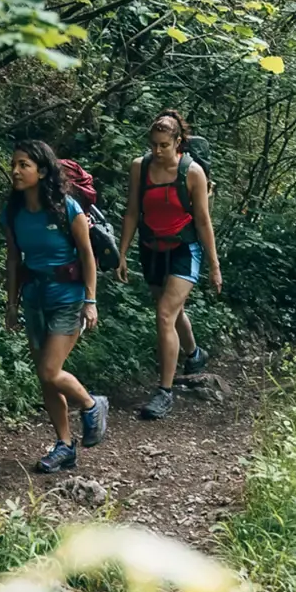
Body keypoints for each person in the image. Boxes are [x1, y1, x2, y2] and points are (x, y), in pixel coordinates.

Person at [2, 139, 110, 473]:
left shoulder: (67, 208)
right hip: (35, 298)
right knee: (45, 379)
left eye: (24, 165)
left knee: (51, 370)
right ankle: (65, 445)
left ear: (42, 170)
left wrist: (90, 301)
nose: (16, 171)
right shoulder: (13, 212)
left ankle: (93, 404)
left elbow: (87, 255)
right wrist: (11, 303)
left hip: (68, 298)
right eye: (15, 165)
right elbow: (13, 259)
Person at [116, 110, 222, 420]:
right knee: (172, 313)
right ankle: (194, 354)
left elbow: (203, 220)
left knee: (164, 314)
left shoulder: (193, 173)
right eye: (153, 145)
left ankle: (164, 392)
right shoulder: (141, 168)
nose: (157, 151)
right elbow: (132, 212)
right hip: (151, 247)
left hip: (184, 249)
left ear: (178, 142)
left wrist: (214, 265)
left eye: (164, 145)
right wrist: (121, 253)